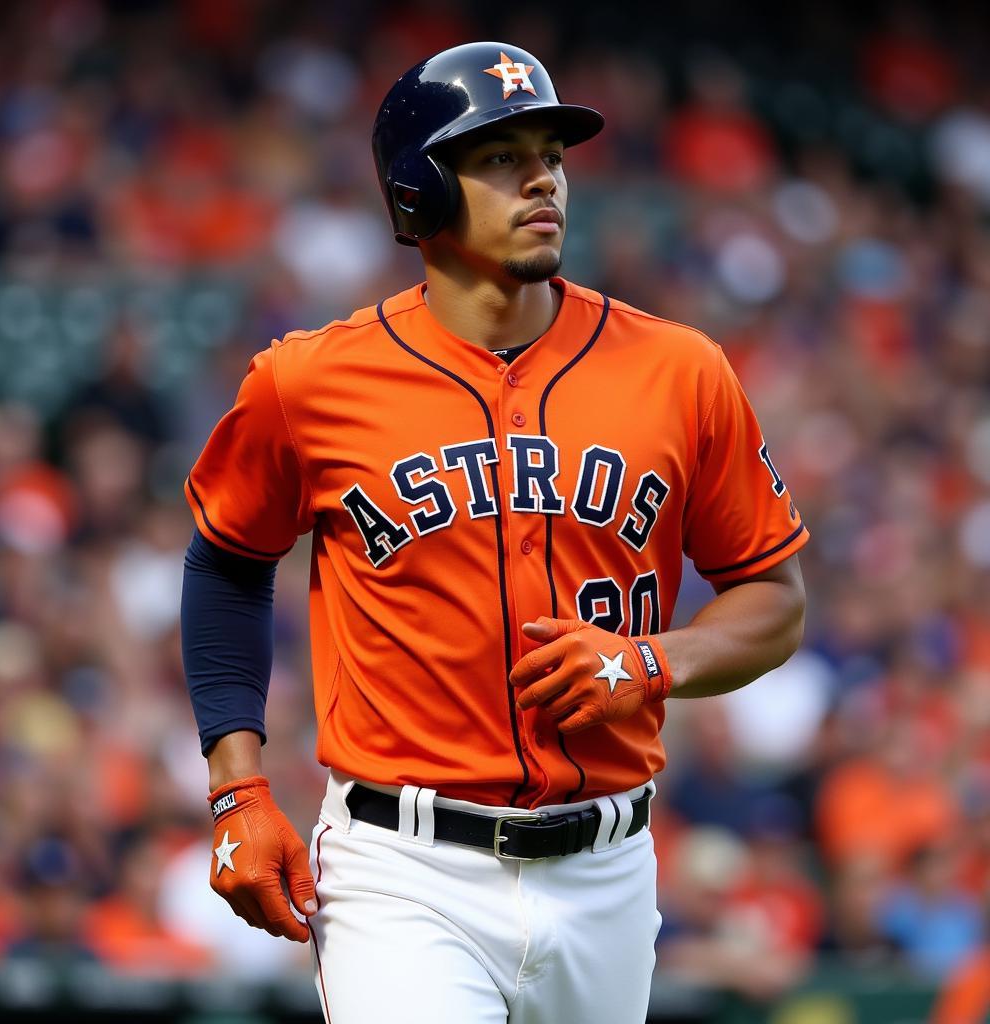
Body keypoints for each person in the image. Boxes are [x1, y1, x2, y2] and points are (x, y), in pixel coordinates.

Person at [180, 41, 808, 1024]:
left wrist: (653, 661)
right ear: (418, 191)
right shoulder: (307, 381)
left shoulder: (681, 371)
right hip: (403, 866)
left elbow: (773, 600)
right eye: (499, 156)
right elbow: (226, 562)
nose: (542, 177)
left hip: (609, 869)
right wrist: (235, 787)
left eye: (550, 152)